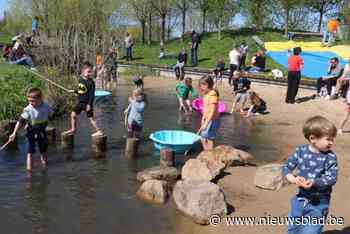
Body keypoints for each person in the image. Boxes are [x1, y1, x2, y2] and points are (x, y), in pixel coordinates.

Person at [282, 116, 338, 234]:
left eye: (333, 139)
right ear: (313, 138)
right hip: (300, 199)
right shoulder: (301, 151)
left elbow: (332, 178)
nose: (332, 142)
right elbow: (287, 167)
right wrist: (292, 178)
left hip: (319, 202)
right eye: (328, 139)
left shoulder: (330, 157)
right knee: (293, 229)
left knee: (311, 230)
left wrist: (314, 182)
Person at [8, 88, 53, 171]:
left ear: (40, 99)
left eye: (33, 101)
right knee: (30, 152)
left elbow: (51, 114)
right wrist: (14, 133)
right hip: (31, 131)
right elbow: (20, 121)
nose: (31, 103)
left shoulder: (46, 106)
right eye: (29, 101)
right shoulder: (28, 109)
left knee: (43, 151)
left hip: (41, 131)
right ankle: (29, 171)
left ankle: (45, 168)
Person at [64, 62, 103, 136]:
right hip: (80, 103)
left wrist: (89, 104)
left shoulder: (91, 82)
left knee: (91, 119)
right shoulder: (80, 80)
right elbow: (81, 91)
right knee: (73, 114)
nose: (90, 73)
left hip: (87, 104)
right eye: (88, 72)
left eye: (90, 72)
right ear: (83, 71)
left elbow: (91, 95)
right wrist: (73, 91)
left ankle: (99, 131)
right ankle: (73, 129)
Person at [197, 76, 220, 151]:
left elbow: (212, 111)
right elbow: (206, 108)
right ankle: (206, 152)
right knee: (203, 138)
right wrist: (203, 118)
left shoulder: (212, 95)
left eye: (202, 85)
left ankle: (209, 154)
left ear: (207, 85)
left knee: (209, 139)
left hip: (212, 121)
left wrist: (206, 123)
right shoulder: (206, 94)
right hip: (207, 119)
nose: (200, 88)